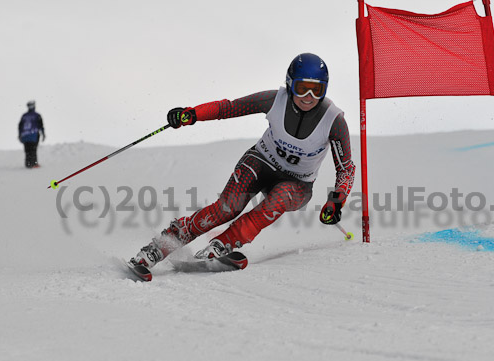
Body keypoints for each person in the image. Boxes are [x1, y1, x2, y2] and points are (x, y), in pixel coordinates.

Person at [128, 53, 355, 270]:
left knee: (278, 199)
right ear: (289, 84)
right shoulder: (275, 100)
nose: (309, 97)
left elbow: (345, 169)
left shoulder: (333, 121)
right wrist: (192, 114)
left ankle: (224, 243)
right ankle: (160, 247)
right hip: (261, 162)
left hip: (298, 184)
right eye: (302, 88)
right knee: (226, 209)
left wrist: (337, 201)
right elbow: (229, 107)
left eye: (317, 90)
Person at [18, 100, 45, 168]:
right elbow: (40, 125)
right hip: (33, 135)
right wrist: (43, 133)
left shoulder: (24, 116)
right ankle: (34, 163)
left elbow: (20, 126)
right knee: (33, 149)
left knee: (27, 150)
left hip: (25, 135)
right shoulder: (37, 115)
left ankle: (28, 164)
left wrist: (20, 135)